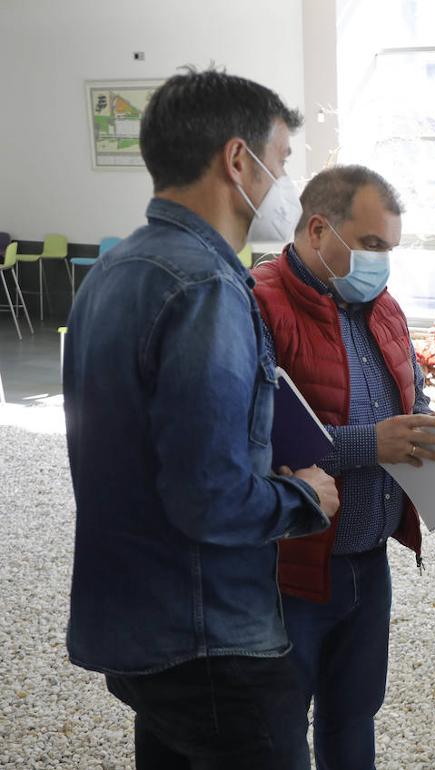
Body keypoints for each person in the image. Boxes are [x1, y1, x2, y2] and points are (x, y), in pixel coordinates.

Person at [63, 68, 340, 770]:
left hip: (135, 628)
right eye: (280, 162)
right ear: (237, 159)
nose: (284, 182)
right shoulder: (207, 287)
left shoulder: (112, 270)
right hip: (211, 639)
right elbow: (210, 497)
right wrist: (306, 495)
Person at [251, 164, 435, 769]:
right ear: (318, 229)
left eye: (388, 248)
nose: (381, 262)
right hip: (294, 571)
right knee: (278, 730)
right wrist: (373, 445)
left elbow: (413, 396)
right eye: (370, 245)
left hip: (367, 561)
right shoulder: (258, 304)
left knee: (355, 715)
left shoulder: (382, 307)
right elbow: (256, 443)